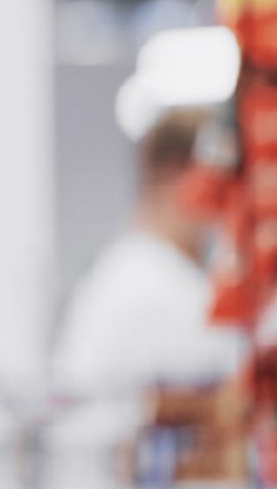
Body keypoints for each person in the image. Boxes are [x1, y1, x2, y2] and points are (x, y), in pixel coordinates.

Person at [54, 107, 246, 419]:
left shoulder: (119, 274)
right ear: (177, 174)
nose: (227, 203)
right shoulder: (154, 288)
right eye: (222, 184)